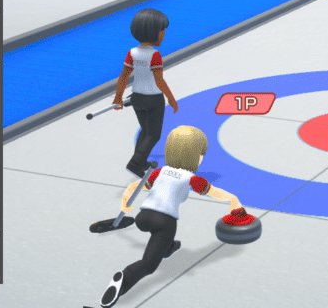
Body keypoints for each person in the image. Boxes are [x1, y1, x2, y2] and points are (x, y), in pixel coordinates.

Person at [99, 126, 244, 308]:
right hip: (164, 222)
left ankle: (168, 248)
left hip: (143, 217)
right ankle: (124, 279)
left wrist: (125, 205)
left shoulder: (160, 171)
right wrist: (233, 200)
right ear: (194, 156)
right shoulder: (191, 178)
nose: (201, 159)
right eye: (201, 155)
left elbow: (132, 188)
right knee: (149, 264)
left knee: (164, 244)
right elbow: (214, 192)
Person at [112, 9, 179, 178]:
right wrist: (171, 98)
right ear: (154, 32)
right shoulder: (155, 55)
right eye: (162, 31)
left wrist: (118, 97)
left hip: (137, 98)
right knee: (154, 134)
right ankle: (135, 164)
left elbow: (123, 77)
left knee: (145, 130)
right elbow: (159, 80)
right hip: (153, 99)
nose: (164, 35)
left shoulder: (132, 53)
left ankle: (141, 162)